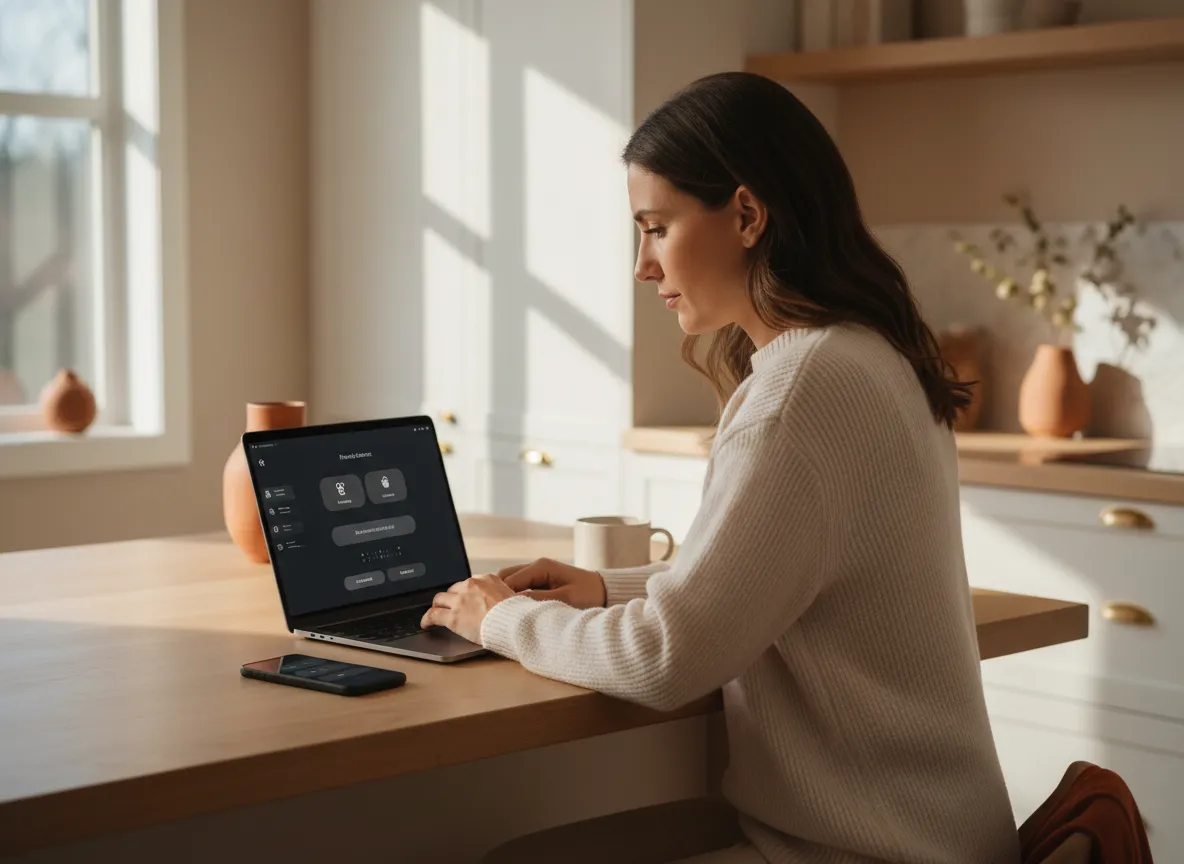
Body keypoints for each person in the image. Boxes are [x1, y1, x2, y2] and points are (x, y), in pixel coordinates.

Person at [421, 71, 1019, 864]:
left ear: (745, 214)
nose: (641, 264)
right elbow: (784, 575)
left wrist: (498, 620)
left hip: (864, 848)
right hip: (918, 833)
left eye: (655, 227)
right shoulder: (864, 353)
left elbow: (664, 659)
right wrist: (607, 588)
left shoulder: (800, 390)